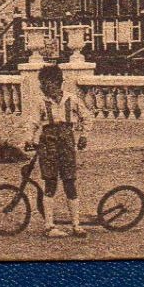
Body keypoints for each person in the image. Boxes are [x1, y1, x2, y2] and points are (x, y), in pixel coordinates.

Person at [24, 62, 90, 238]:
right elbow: (33, 122)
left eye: (47, 82)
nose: (44, 86)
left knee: (70, 181)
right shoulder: (40, 102)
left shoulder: (72, 99)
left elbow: (87, 117)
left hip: (67, 143)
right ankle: (49, 226)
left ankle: (76, 224)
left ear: (57, 82)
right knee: (50, 182)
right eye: (42, 83)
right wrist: (29, 138)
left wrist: (84, 136)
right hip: (48, 144)